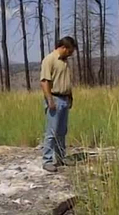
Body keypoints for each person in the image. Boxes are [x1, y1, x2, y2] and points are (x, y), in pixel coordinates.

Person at [40, 36, 76, 172]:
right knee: (52, 132)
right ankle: (47, 160)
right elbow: (44, 81)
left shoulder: (65, 62)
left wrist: (70, 97)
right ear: (64, 47)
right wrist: (49, 100)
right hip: (54, 99)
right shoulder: (49, 59)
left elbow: (66, 81)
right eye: (70, 51)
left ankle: (61, 157)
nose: (71, 54)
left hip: (64, 99)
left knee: (62, 131)